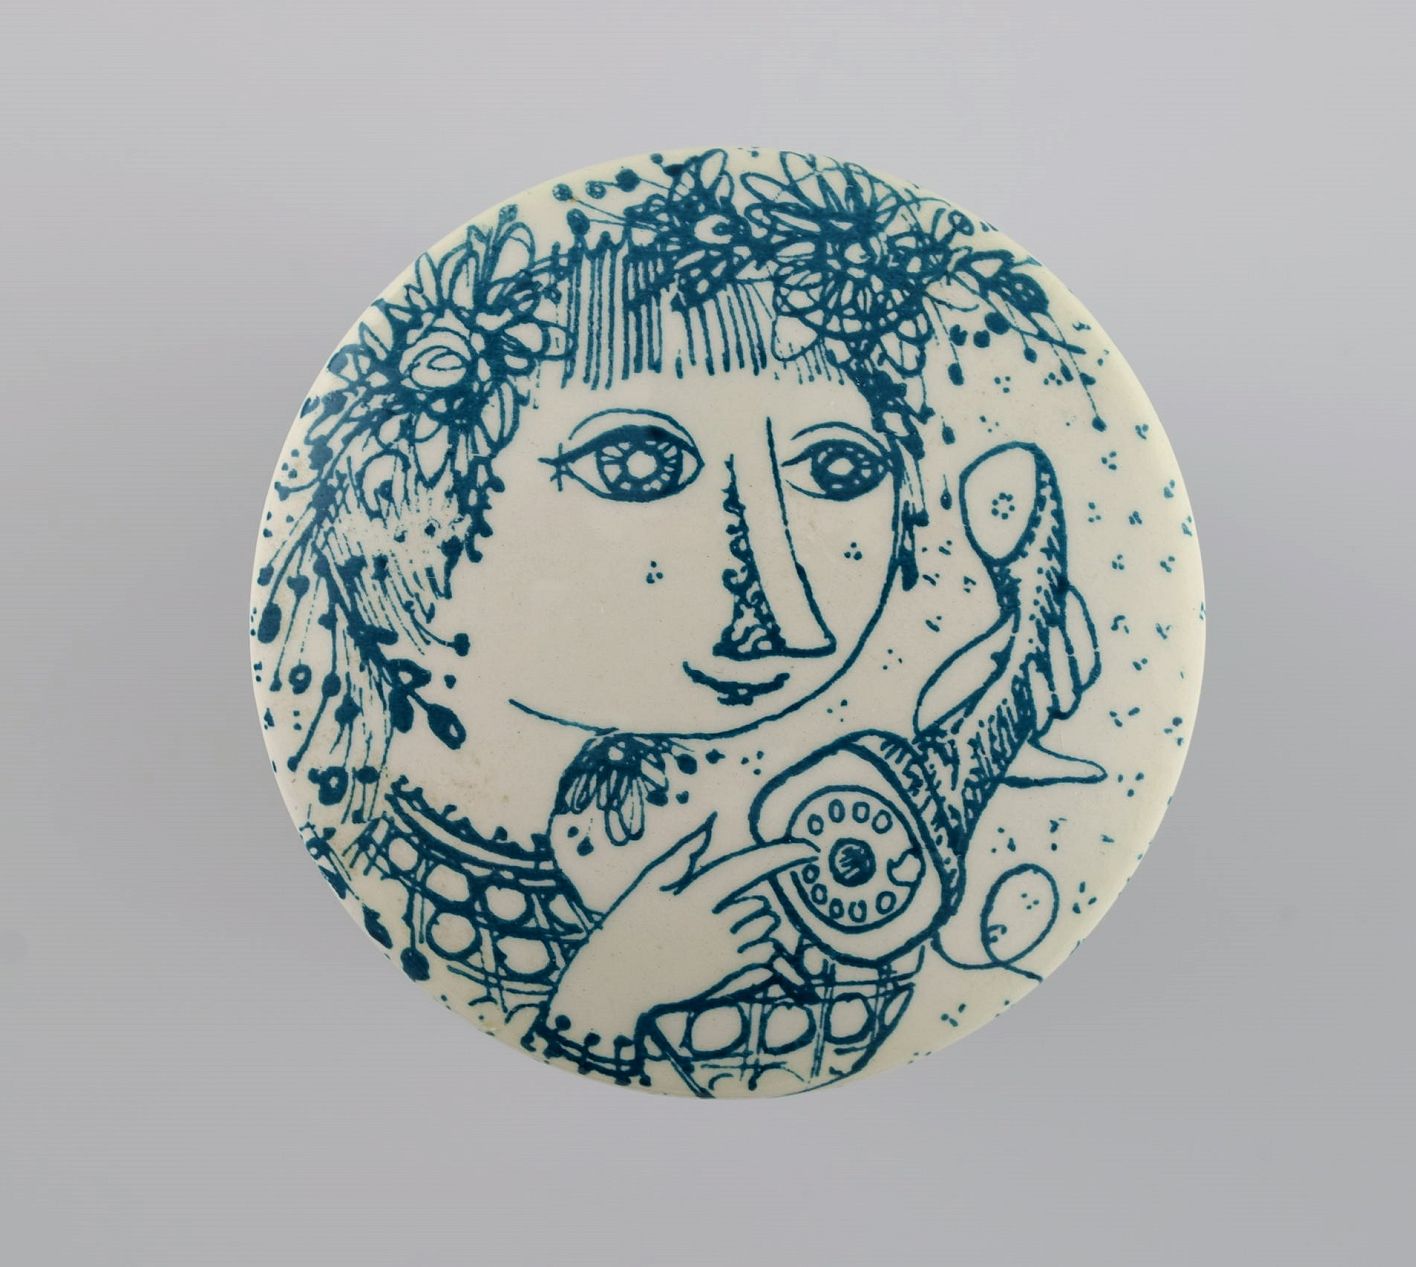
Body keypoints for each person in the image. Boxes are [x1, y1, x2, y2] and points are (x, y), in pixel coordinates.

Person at [253, 149, 1102, 1095]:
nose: (786, 613)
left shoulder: (757, 831)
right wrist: (606, 1002)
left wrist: (974, 743)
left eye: (838, 471)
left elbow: (844, 1020)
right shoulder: (398, 877)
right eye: (636, 466)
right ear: (411, 500)